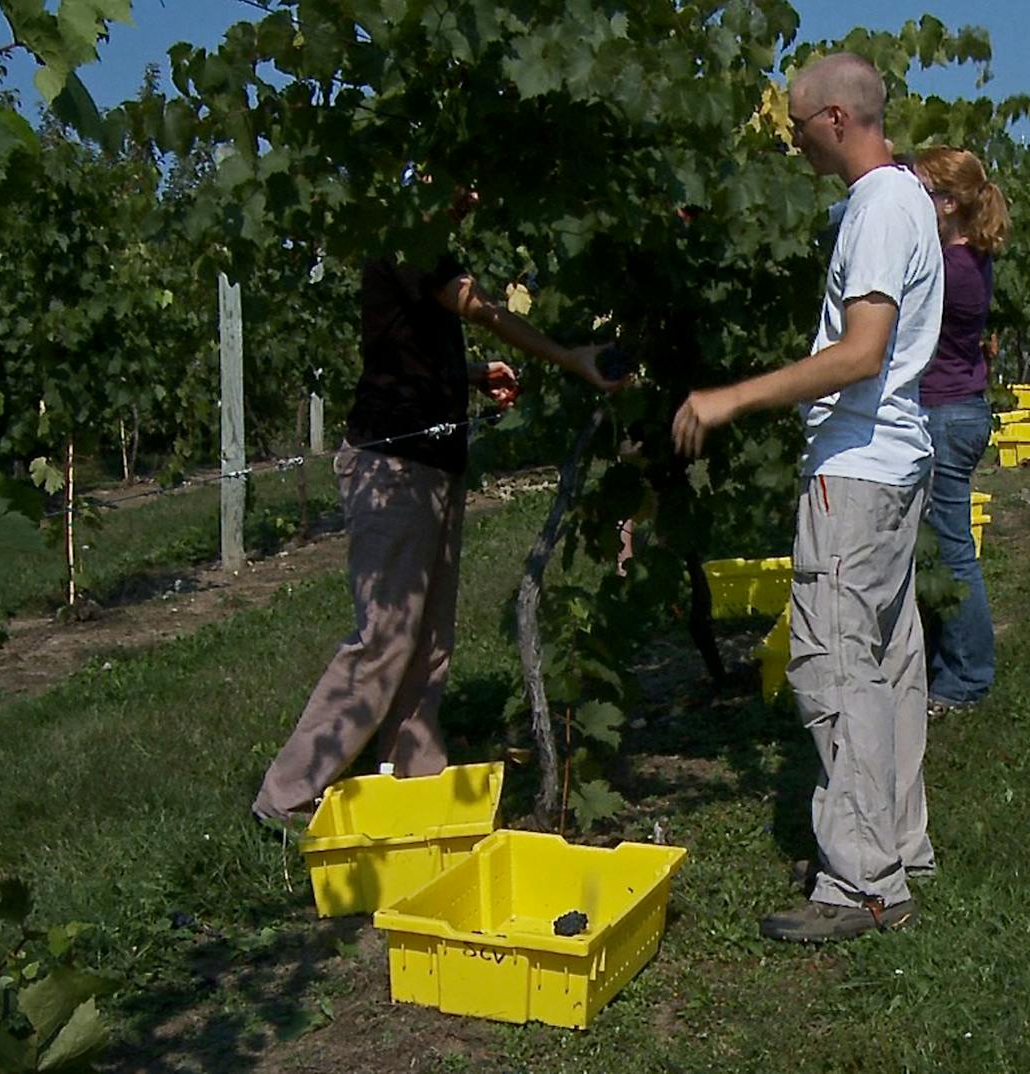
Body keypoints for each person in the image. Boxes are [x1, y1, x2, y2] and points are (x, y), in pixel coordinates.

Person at [671, 53, 943, 942]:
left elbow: (862, 351)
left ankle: (862, 882)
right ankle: (897, 846)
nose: (792, 144)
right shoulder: (905, 199)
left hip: (857, 467)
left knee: (832, 665)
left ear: (835, 117)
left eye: (795, 127)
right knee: (889, 660)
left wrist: (730, 396)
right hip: (898, 460)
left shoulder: (877, 208)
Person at [252, 184, 625, 826]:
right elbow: (477, 307)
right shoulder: (406, 239)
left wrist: (474, 374)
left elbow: (409, 345)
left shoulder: (422, 248)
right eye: (461, 186)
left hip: (431, 463)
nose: (472, 198)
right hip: (392, 469)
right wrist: (570, 357)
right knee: (387, 638)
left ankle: (413, 778)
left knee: (429, 639)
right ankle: (285, 797)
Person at [912, 146, 1008, 712]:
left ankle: (968, 676)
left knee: (952, 551)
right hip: (960, 408)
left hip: (944, 415)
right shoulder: (970, 255)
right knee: (944, 548)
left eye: (923, 191)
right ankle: (948, 663)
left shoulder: (949, 267)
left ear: (947, 203)